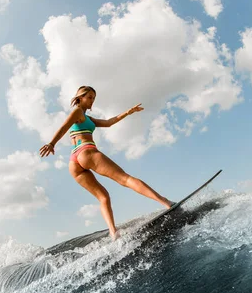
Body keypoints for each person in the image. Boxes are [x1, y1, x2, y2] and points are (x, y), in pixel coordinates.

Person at [39, 86, 172, 239]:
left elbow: (109, 122)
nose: (92, 101)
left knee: (103, 197)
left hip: (74, 163)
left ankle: (113, 233)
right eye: (89, 97)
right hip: (86, 152)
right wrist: (52, 143)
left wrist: (127, 112)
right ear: (80, 97)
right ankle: (165, 202)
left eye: (94, 98)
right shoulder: (77, 111)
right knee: (125, 179)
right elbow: (64, 127)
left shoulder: (87, 118)